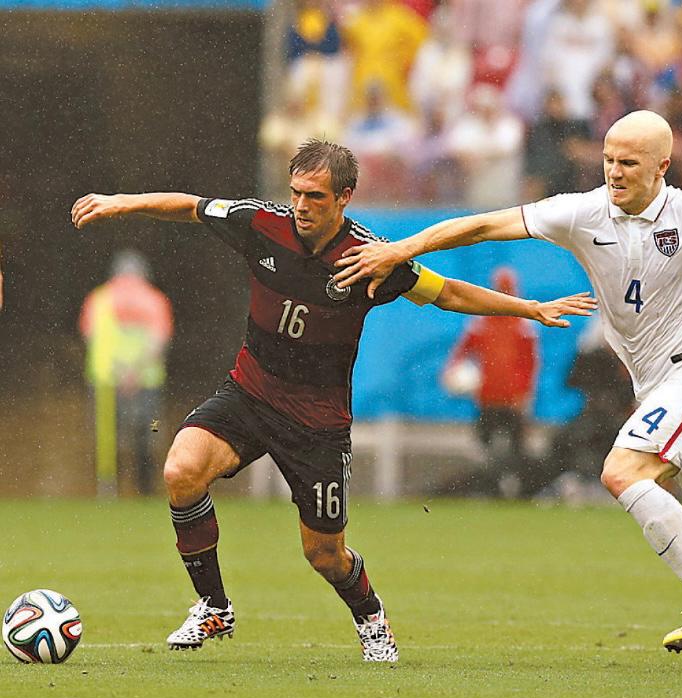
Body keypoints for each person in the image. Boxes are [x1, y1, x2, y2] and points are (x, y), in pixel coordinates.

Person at [333, 110, 682, 667]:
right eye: (609, 159)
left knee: (622, 471)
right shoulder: (582, 212)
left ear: (662, 166)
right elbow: (481, 226)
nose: (614, 171)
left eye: (628, 162)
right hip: (660, 385)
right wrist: (400, 250)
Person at [71, 138, 594, 662]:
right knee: (182, 470)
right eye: (297, 192)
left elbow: (449, 293)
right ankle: (212, 605)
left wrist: (528, 308)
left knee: (324, 554)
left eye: (315, 197)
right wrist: (120, 202)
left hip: (317, 422)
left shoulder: (371, 258)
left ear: (345, 197)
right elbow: (190, 205)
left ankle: (371, 617)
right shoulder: (262, 223)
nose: (301, 205)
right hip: (250, 392)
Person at [78, 250, 174, 496]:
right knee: (151, 430)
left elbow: (90, 337)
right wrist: (135, 371)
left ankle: (109, 489)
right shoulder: (155, 299)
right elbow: (158, 341)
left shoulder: (98, 299)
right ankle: (147, 490)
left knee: (108, 437)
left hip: (106, 381)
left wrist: (121, 371)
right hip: (146, 381)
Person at [444, 266, 538, 497]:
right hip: (490, 397)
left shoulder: (521, 324)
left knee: (514, 447)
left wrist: (524, 393)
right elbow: (462, 351)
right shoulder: (488, 322)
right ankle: (492, 487)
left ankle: (516, 489)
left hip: (508, 398)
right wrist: (454, 370)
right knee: (487, 444)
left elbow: (529, 364)